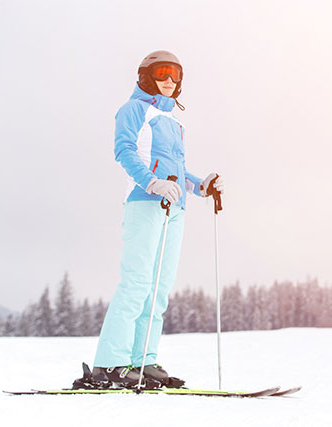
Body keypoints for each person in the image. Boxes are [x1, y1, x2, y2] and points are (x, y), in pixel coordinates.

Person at [91, 50, 224, 386]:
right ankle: (110, 364)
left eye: (175, 75)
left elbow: (174, 169)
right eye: (163, 73)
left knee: (158, 289)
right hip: (145, 201)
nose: (169, 80)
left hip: (174, 206)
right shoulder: (134, 109)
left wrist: (200, 185)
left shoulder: (174, 120)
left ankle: (142, 361)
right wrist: (151, 182)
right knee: (136, 282)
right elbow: (124, 150)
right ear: (147, 76)